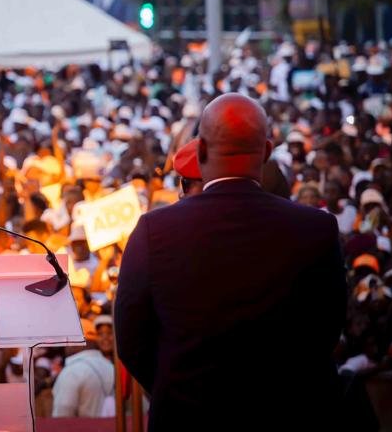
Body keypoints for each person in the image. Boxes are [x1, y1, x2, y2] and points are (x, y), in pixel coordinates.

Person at [115, 93, 346, 430]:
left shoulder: (154, 230)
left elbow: (132, 340)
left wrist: (177, 389)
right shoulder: (317, 229)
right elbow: (325, 331)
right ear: (266, 153)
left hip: (188, 417)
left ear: (202, 151)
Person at [51, 316, 115, 418]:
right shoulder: (115, 370)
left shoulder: (71, 373)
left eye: (68, 339)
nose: (65, 345)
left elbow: (61, 419)